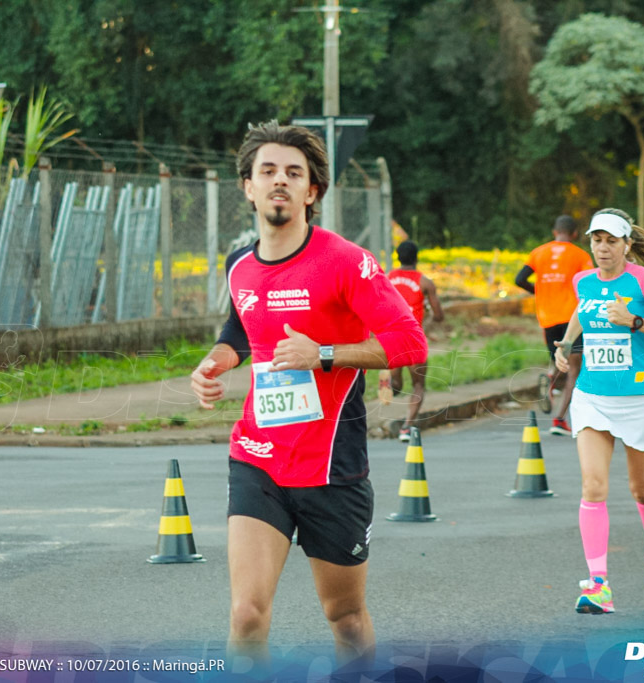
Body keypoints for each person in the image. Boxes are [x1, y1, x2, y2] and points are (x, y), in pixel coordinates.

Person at [189, 121, 427, 665]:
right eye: (267, 171)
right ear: (247, 186)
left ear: (311, 191)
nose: (279, 181)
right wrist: (216, 362)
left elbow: (410, 343)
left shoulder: (345, 261)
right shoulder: (240, 266)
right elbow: (240, 329)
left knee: (344, 619)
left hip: (332, 469)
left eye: (293, 173)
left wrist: (322, 353)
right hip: (259, 457)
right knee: (246, 614)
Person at [553, 208, 644, 614]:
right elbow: (581, 309)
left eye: (611, 240)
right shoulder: (583, 281)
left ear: (627, 243)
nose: (602, 248)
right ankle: (599, 586)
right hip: (591, 397)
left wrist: (635, 322)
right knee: (593, 488)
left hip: (637, 400)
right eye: (596, 240)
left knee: (642, 491)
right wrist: (564, 343)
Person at [516, 215, 594, 435]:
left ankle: (550, 379)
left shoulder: (538, 253)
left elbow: (519, 279)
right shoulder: (580, 255)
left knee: (558, 361)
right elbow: (589, 282)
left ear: (554, 231)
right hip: (572, 319)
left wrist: (539, 292)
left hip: (547, 317)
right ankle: (559, 420)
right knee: (574, 369)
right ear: (575, 234)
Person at [384, 239, 445, 441]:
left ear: (398, 258)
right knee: (418, 383)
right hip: (413, 339)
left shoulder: (386, 278)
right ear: (416, 258)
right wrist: (426, 312)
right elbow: (439, 316)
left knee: (396, 384)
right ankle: (406, 427)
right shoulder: (425, 283)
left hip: (391, 336)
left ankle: (389, 383)